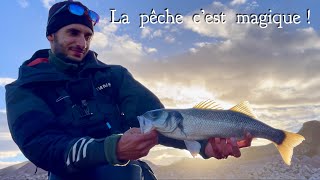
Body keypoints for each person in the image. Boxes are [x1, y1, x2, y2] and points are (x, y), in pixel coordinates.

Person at [5, 1, 253, 180]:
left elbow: (157, 120)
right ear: (50, 35)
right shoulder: (25, 87)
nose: (82, 43)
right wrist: (111, 149)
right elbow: (41, 146)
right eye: (73, 33)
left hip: (126, 171)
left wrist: (204, 145)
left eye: (87, 35)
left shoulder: (114, 75)